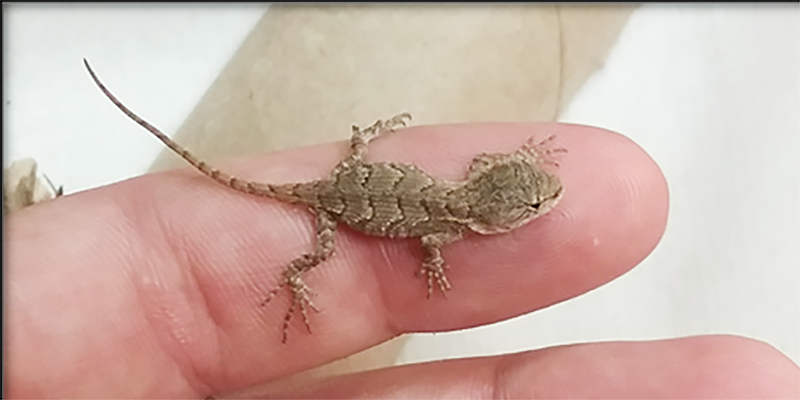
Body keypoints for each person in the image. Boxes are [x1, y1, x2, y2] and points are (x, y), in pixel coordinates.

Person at [7, 123, 799, 399]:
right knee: (310, 257)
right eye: (531, 204)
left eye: (533, 196)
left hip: (364, 170)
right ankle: (292, 283)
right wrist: (425, 265)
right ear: (492, 217)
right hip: (340, 200)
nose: (541, 204)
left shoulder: (465, 197)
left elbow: (494, 166)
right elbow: (423, 238)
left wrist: (519, 158)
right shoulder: (444, 232)